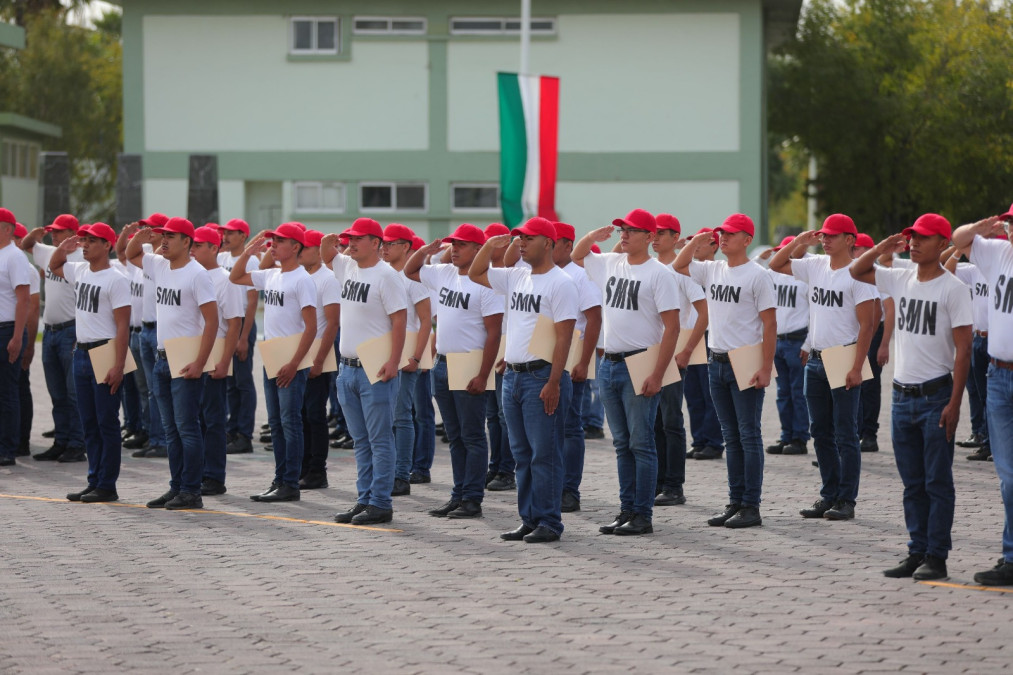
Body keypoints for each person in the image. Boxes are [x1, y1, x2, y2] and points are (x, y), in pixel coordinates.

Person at [851, 216, 971, 581]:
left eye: (923, 238)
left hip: (935, 396)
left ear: (942, 243)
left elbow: (964, 350)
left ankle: (937, 556)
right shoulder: (900, 276)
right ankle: (916, 550)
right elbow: (857, 271)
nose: (915, 244)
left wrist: (955, 403)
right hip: (902, 397)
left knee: (937, 482)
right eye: (912, 238)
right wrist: (882, 248)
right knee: (912, 483)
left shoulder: (953, 288)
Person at [573, 208, 680, 536]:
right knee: (621, 443)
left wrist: (658, 374)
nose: (624, 235)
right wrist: (593, 236)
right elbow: (577, 256)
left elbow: (673, 327)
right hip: (610, 363)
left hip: (640, 361)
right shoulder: (611, 263)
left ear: (650, 237)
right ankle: (625, 509)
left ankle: (642, 514)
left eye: (632, 230)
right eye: (622, 230)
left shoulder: (659, 273)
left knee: (641, 442)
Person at [470, 217, 577, 542]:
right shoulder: (517, 276)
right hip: (513, 376)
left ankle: (549, 521)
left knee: (544, 453)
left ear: (547, 242)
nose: (521, 243)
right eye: (519, 238)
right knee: (521, 454)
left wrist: (554, 382)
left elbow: (564, 337)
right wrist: (490, 246)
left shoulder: (561, 282)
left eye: (528, 238)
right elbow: (476, 273)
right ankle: (528, 518)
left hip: (541, 376)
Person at [769, 215, 877, 521]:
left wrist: (857, 367)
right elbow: (775, 265)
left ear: (850, 240)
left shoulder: (859, 274)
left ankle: (847, 499)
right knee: (820, 431)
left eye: (833, 235)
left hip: (844, 357)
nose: (826, 239)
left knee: (845, 432)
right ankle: (828, 494)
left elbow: (868, 325)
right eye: (824, 235)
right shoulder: (815, 264)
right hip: (815, 359)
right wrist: (800, 242)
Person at [675, 214, 776, 529]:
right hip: (715, 360)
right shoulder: (713, 269)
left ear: (747, 240)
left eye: (731, 234)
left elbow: (770, 323)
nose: (724, 238)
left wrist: (766, 367)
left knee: (748, 435)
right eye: (721, 234)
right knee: (731, 438)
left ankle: (751, 505)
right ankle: (735, 502)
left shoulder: (757, 275)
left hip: (745, 361)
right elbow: (679, 265)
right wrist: (696, 240)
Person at [406, 224, 502, 520]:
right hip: (444, 364)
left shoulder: (486, 283)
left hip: (470, 365)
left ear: (478, 249)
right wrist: (426, 250)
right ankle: (458, 494)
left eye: (462, 244)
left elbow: (494, 333)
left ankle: (472, 498)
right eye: (453, 244)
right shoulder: (444, 272)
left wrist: (483, 374)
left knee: (472, 436)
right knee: (455, 436)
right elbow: (410, 271)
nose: (455, 249)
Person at [126, 217, 218, 510]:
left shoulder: (197, 274)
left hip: (186, 359)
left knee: (187, 427)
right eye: (162, 235)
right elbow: (130, 255)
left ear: (187, 242)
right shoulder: (159, 264)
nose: (163, 241)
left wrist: (200, 363)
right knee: (170, 429)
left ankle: (191, 490)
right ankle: (176, 487)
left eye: (171, 236)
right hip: (161, 357)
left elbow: (213, 322)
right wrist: (140, 236)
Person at [322, 218, 406, 526]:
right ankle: (364, 499)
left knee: (379, 439)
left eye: (359, 239)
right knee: (361, 439)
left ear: (376, 243)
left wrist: (394, 361)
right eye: (349, 239)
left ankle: (381, 502)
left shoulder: (387, 276)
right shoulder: (348, 267)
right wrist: (330, 239)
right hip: (347, 368)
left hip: (375, 367)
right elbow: (326, 254)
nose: (351, 243)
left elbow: (400, 320)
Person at [230, 223, 317, 503]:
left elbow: (311, 327)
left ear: (295, 247)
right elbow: (235, 277)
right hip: (272, 357)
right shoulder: (272, 275)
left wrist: (295, 363)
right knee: (277, 424)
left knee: (291, 423)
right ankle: (280, 479)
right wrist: (249, 251)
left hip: (291, 361)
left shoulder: (302, 280)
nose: (273, 246)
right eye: (273, 241)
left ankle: (290, 483)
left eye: (280, 242)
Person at [951, 209, 1013, 586]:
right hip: (998, 375)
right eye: (1010, 223)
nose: (1011, 228)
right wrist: (979, 228)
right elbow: (958, 241)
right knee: (1008, 479)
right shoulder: (998, 253)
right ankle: (1010, 557)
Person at [49, 223, 132, 502]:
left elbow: (123, 327)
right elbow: (55, 264)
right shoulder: (81, 270)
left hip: (105, 352)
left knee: (106, 421)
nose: (84, 245)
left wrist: (118, 366)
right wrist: (64, 246)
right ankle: (93, 479)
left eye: (91, 241)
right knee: (88, 422)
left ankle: (107, 485)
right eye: (83, 240)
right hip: (81, 353)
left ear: (107, 245)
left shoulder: (116, 279)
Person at [21, 214, 87, 463]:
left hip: (71, 330)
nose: (54, 235)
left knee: (72, 394)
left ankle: (76, 444)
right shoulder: (49, 251)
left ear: (73, 233)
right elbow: (26, 245)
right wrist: (37, 232)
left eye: (59, 231)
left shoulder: (81, 257)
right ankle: (61, 441)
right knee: (56, 393)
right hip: (49, 331)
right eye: (53, 232)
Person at [189, 226, 243, 496]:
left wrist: (224, 361)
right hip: (188, 352)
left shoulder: (225, 279)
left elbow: (234, 323)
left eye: (199, 245)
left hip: (214, 355)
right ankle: (194, 472)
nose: (194, 250)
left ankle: (213, 475)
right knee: (192, 419)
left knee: (213, 419)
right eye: (193, 245)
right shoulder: (189, 274)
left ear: (215, 248)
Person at [552, 221, 602, 512]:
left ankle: (569, 490)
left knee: (571, 427)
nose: (548, 246)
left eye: (554, 241)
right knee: (549, 429)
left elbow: (593, 318)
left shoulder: (579, 275)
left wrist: (584, 360)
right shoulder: (542, 273)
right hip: (543, 359)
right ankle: (550, 484)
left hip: (572, 361)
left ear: (568, 245)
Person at [380, 223, 431, 497]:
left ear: (406, 247)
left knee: (402, 416)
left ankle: (401, 474)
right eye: (383, 243)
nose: (385, 248)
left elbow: (425, 322)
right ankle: (389, 471)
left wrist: (416, 356)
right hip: (382, 353)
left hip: (406, 356)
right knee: (385, 417)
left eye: (391, 243)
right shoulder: (383, 275)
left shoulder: (414, 279)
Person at [117, 213, 169, 459]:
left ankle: (161, 439)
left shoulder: (166, 259)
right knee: (145, 388)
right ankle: (151, 434)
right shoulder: (148, 257)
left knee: (157, 389)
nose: (146, 232)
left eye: (151, 228)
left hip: (159, 329)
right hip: (142, 330)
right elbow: (125, 253)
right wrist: (137, 235)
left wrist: (141, 238)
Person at [298, 229, 342, 490]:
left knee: (315, 414)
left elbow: (332, 324)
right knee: (301, 414)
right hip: (300, 353)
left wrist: (319, 360)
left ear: (317, 250)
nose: (300, 251)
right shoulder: (301, 276)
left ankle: (317, 470)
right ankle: (303, 467)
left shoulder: (328, 279)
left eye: (304, 247)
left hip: (318, 356)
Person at [943, 245, 993, 461]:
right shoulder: (975, 270)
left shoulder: (1002, 270)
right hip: (977, 337)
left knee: (994, 396)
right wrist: (958, 249)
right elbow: (946, 269)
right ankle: (986, 440)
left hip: (996, 340)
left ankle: (995, 443)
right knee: (981, 394)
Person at [761, 236, 810, 456]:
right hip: (779, 340)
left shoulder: (807, 272)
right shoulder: (773, 273)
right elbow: (751, 273)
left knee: (798, 392)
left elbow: (815, 312)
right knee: (783, 393)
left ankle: (799, 437)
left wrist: (809, 343)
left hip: (798, 338)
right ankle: (786, 435)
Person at [216, 218, 259, 454]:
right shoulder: (222, 258)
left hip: (242, 322)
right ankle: (231, 429)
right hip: (226, 322)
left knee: (243, 381)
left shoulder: (251, 260)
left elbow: (252, 302)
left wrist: (243, 337)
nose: (226, 237)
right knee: (230, 381)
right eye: (224, 233)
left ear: (243, 236)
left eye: (231, 233)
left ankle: (244, 434)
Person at [682, 227, 725, 460]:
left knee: (710, 393)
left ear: (714, 246)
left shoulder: (717, 272)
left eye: (701, 243)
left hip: (709, 336)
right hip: (690, 335)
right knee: (693, 392)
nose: (695, 247)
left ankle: (714, 441)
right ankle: (699, 439)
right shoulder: (688, 271)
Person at [483, 222, 516, 492]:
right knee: (492, 416)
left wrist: (509, 351)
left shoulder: (514, 273)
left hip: (508, 349)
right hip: (487, 350)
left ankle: (507, 470)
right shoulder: (485, 274)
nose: (489, 247)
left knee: (505, 416)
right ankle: (495, 466)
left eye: (495, 241)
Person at [0, 208, 33, 466]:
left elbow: (24, 300)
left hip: (7, 329)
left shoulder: (15, 256)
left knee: (8, 392)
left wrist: (18, 336)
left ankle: (7, 449)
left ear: (8, 229)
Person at [853, 233, 886, 453]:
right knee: (852, 386)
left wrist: (880, 343)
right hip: (854, 332)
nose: (853, 251)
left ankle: (869, 434)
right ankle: (853, 435)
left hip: (872, 331)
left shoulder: (874, 275)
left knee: (869, 385)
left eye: (857, 248)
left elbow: (880, 310)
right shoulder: (851, 271)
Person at [12, 223, 40, 458]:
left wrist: (29, 346)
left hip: (16, 335)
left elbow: (31, 310)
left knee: (18, 389)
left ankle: (20, 440)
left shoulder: (26, 269)